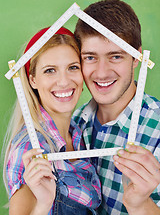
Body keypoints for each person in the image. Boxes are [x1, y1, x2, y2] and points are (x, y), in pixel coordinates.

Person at [73, 0, 160, 215]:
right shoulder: (73, 123)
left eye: (116, 56)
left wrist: (141, 205)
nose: (102, 72)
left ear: (136, 57)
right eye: (90, 57)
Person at [3, 27, 101, 215]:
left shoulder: (80, 133)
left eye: (73, 67)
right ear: (33, 80)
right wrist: (42, 205)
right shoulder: (30, 147)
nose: (64, 81)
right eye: (50, 71)